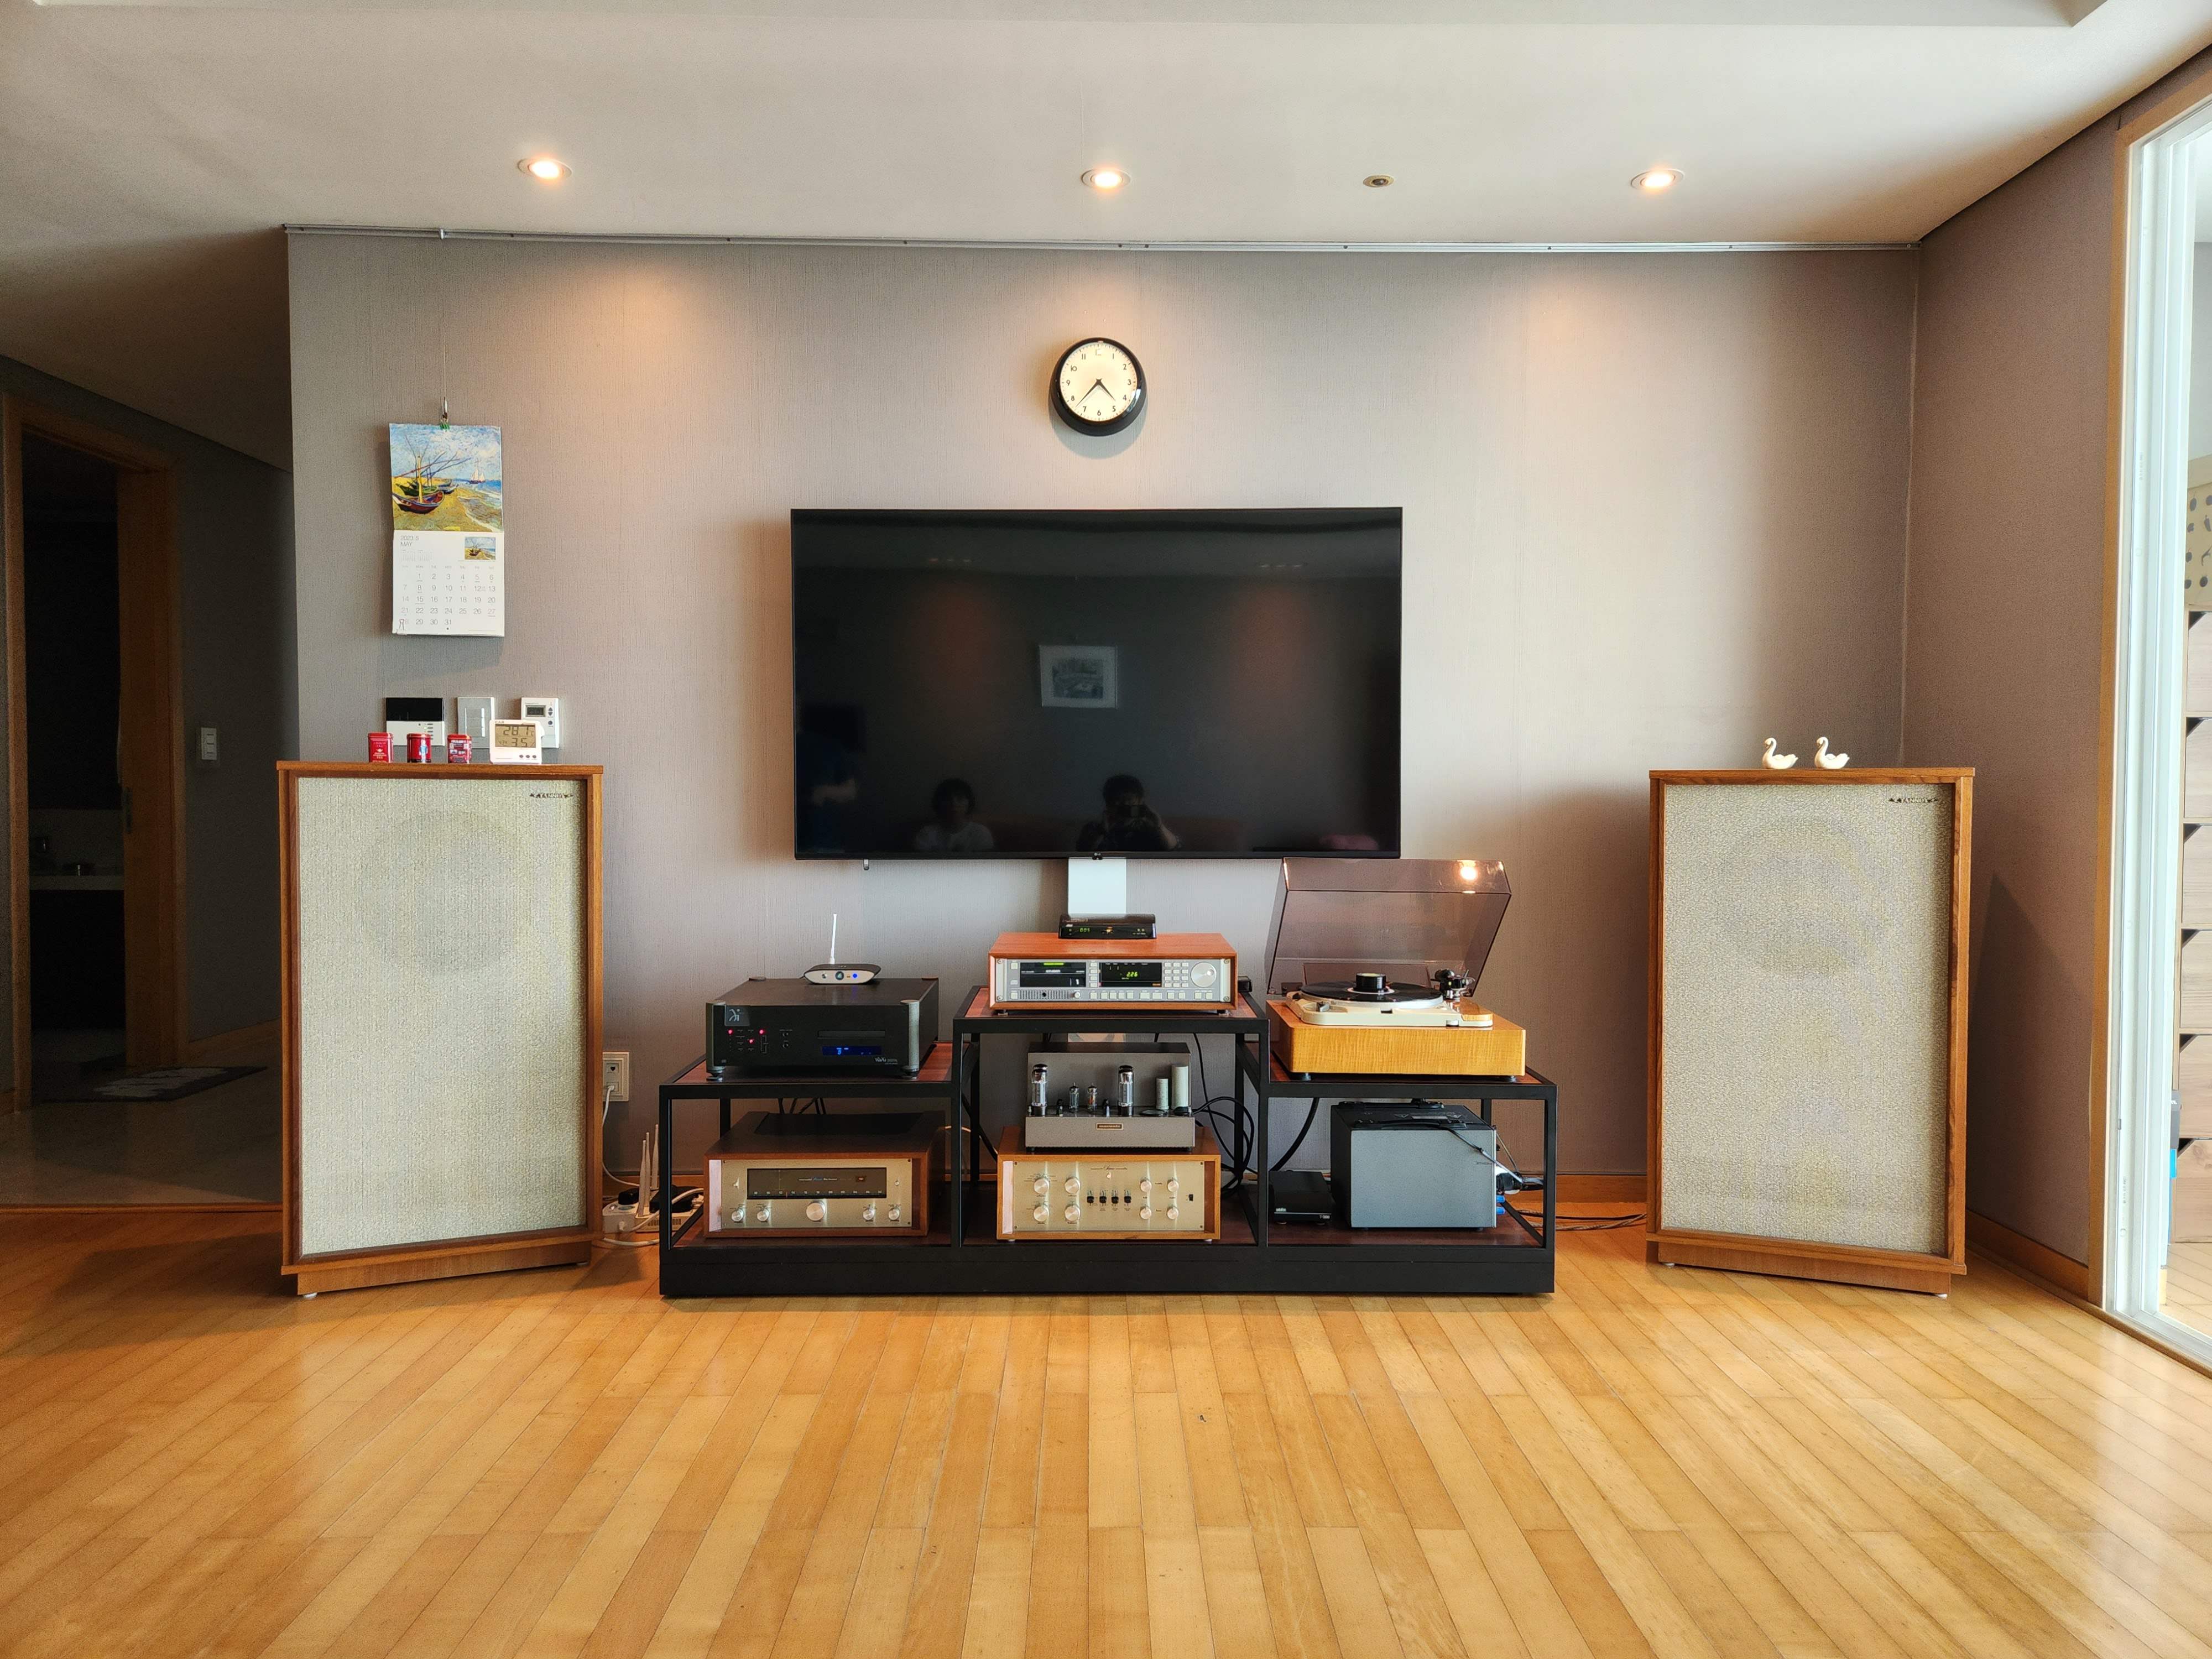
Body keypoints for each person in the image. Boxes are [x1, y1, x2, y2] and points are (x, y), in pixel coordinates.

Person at [1076, 773, 1178, 853]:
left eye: (1130, 802)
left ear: (1140, 802)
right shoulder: (1095, 829)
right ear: (1107, 804)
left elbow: (1174, 848)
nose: (1125, 808)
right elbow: (1082, 852)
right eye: (1118, 803)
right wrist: (1102, 831)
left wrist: (1159, 826)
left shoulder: (1149, 829)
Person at [913, 777, 995, 853]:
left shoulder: (980, 833)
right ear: (939, 803)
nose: (954, 803)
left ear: (969, 802)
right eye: (948, 799)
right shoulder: (927, 833)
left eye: (960, 798)